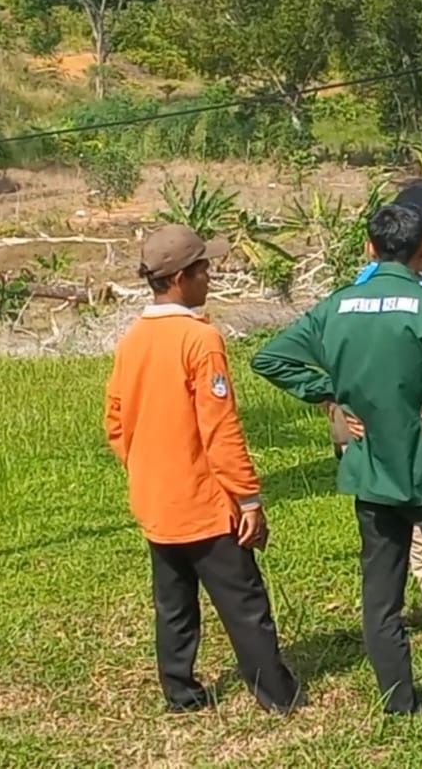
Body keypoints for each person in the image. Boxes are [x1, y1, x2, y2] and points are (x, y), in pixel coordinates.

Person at [250, 203, 422, 714]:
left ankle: (399, 704)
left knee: (381, 601)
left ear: (370, 248)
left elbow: (269, 357)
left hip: (372, 478)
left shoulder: (336, 307)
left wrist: (330, 391)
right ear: (421, 243)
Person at [103, 224, 303, 714]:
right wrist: (247, 497)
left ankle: (181, 693)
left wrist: (145, 465)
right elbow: (220, 429)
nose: (211, 275)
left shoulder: (133, 339)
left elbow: (114, 419)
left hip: (156, 500)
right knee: (244, 604)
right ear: (180, 277)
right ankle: (276, 695)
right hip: (204, 502)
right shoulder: (200, 340)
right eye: (204, 268)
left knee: (173, 605)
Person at [326, 181, 422, 647]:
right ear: (406, 233)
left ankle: (394, 632)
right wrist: (337, 403)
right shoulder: (373, 291)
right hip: (403, 448)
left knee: (400, 552)